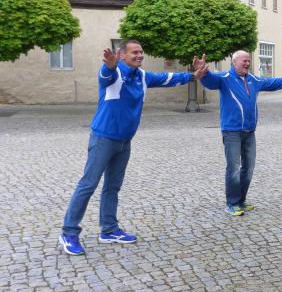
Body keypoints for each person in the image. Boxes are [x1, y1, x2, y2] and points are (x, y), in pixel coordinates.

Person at [59, 40, 208, 255]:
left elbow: (167, 78)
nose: (139, 55)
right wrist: (109, 66)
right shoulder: (114, 73)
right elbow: (105, 75)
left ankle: (109, 230)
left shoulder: (143, 76)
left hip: (124, 141)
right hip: (103, 138)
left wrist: (193, 75)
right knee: (88, 184)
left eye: (141, 52)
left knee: (113, 187)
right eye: (134, 52)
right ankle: (69, 232)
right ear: (122, 55)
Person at [194, 51, 282, 216]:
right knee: (233, 168)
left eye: (249, 61)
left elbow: (271, 83)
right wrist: (204, 73)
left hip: (250, 132)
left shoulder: (253, 80)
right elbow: (210, 81)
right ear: (234, 62)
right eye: (244, 61)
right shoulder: (224, 78)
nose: (247, 63)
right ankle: (231, 203)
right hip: (232, 132)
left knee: (248, 168)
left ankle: (241, 200)